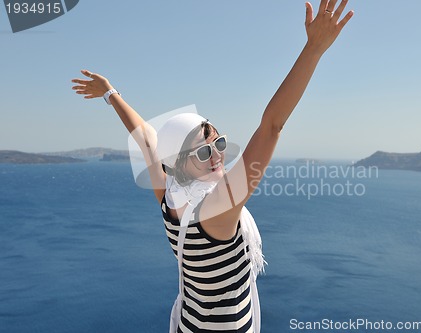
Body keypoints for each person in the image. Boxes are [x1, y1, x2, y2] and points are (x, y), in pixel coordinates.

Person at [71, 1, 353, 332]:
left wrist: (111, 94)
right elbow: (271, 126)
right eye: (203, 152)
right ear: (178, 164)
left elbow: (147, 139)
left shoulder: (169, 198)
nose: (217, 155)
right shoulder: (215, 212)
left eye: (218, 143)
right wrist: (313, 51)